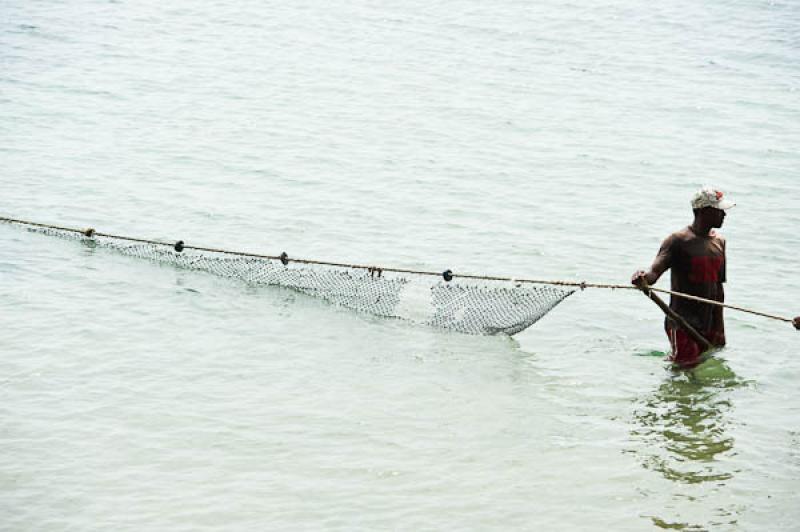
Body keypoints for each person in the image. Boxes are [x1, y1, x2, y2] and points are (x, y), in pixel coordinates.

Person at [632, 186, 736, 367]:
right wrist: (642, 278)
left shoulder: (719, 242)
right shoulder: (677, 241)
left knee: (704, 367)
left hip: (709, 322)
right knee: (684, 368)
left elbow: (718, 289)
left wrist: (719, 328)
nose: (724, 215)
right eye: (720, 211)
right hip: (681, 321)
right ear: (704, 211)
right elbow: (654, 273)